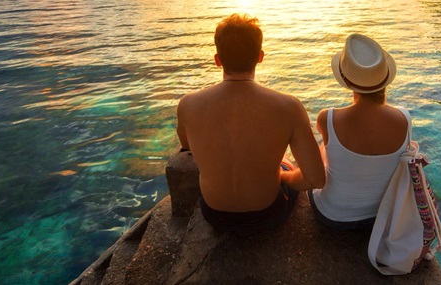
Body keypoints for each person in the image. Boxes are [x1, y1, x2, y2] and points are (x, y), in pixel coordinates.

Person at [176, 14, 325, 232]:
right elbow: (315, 179)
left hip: (214, 215)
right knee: (284, 161)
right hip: (267, 215)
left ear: (218, 60)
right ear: (260, 56)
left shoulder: (188, 104)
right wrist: (283, 174)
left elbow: (187, 146)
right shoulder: (288, 106)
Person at [309, 33, 411, 230]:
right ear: (385, 76)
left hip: (333, 216)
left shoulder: (328, 118)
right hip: (379, 216)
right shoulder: (404, 119)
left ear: (346, 80)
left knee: (324, 147)